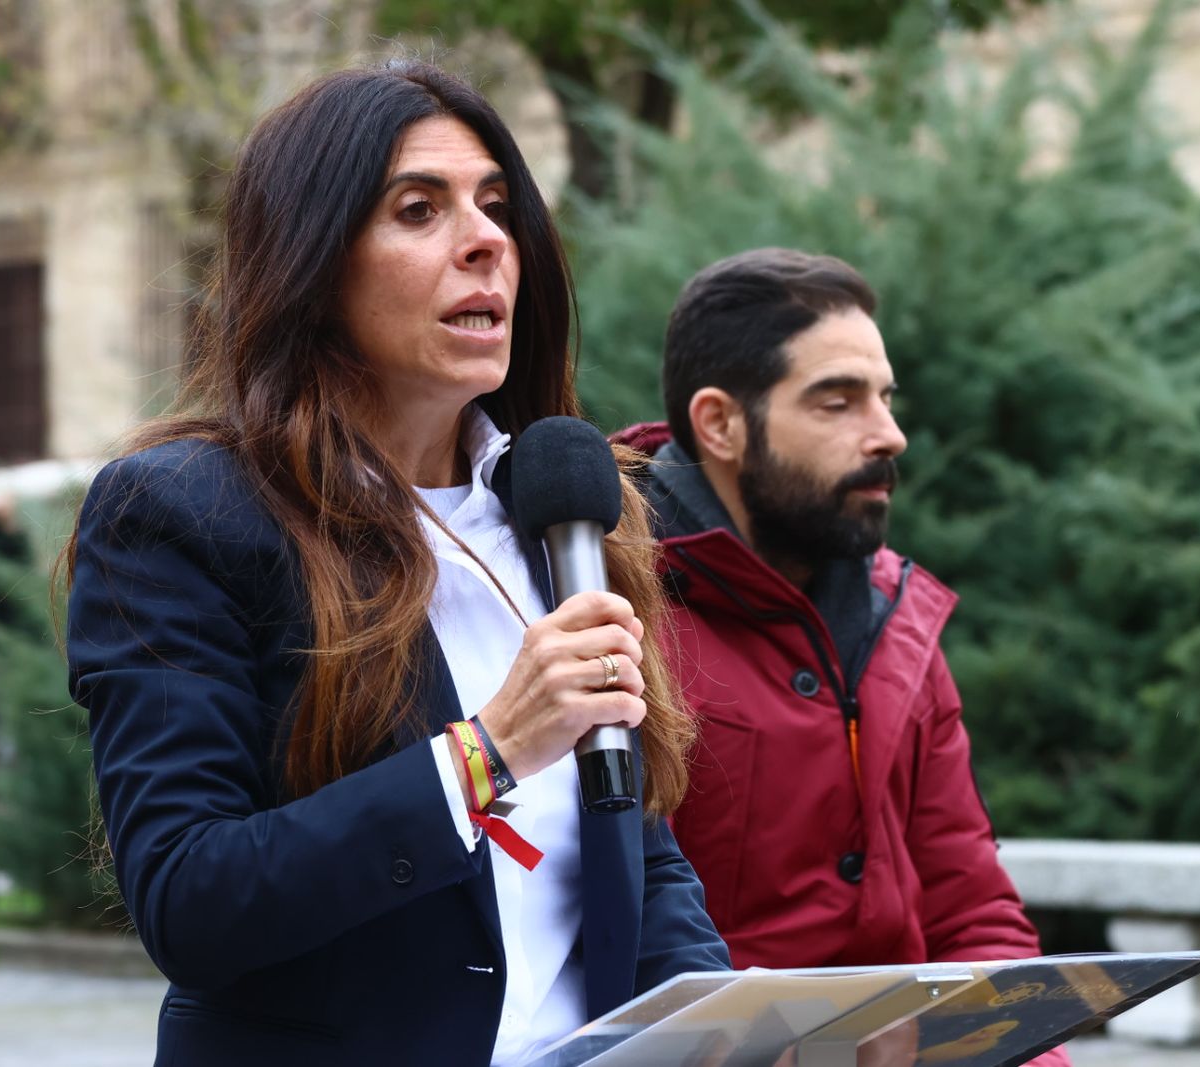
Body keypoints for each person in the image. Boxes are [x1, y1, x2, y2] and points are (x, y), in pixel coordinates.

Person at [64, 61, 727, 1067]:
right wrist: (488, 750)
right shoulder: (184, 511)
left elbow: (634, 839)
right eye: (419, 209)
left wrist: (743, 1027)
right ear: (315, 262)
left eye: (498, 207)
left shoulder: (563, 510)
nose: (487, 240)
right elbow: (189, 896)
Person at [613, 248, 1071, 1066]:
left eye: (885, 398)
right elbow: (605, 940)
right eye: (838, 402)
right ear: (719, 423)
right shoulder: (614, 613)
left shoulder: (902, 621)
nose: (888, 433)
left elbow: (973, 914)